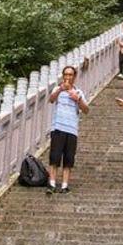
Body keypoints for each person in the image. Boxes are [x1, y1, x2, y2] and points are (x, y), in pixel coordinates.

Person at [47, 63, 89, 192]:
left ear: (74, 76)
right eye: (66, 74)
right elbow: (51, 99)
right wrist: (61, 89)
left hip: (71, 129)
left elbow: (86, 110)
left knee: (68, 158)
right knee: (54, 157)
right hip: (58, 126)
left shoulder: (78, 92)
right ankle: (52, 183)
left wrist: (78, 99)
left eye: (70, 75)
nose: (68, 77)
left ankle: (65, 185)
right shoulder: (57, 89)